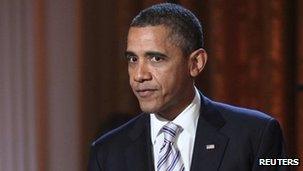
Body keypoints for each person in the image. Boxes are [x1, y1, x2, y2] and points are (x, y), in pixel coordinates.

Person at [89, 3, 287, 171]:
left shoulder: (257, 134)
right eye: (133, 59)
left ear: (195, 63)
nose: (139, 75)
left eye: (156, 58)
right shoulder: (106, 152)